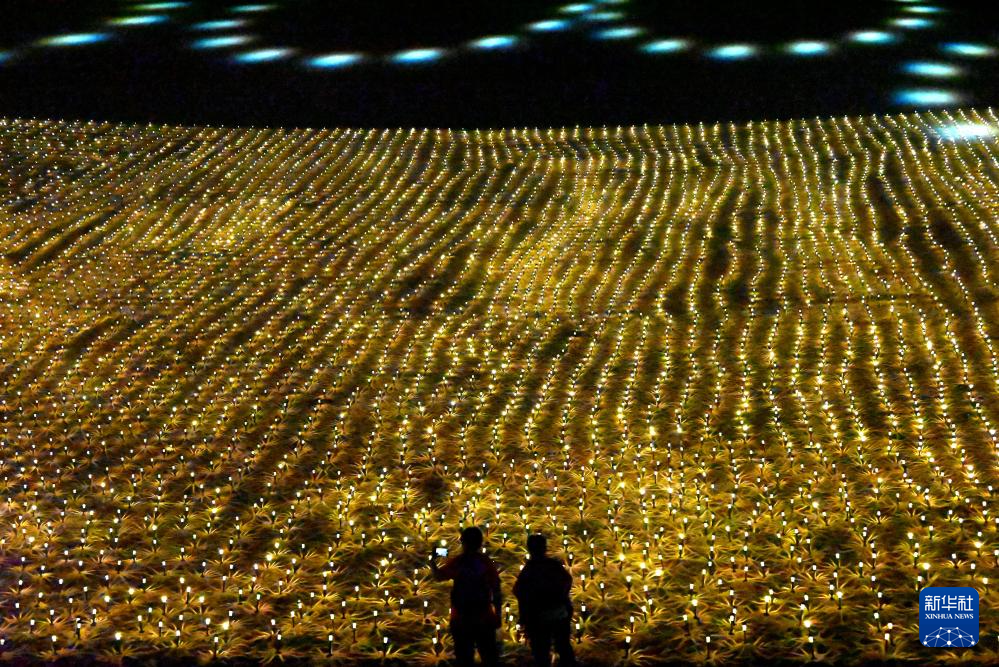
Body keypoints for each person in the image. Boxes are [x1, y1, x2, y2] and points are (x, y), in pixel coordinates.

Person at [430, 526, 502, 667]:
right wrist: (498, 615)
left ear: (463, 542)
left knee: (464, 657)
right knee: (489, 656)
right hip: (484, 617)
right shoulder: (486, 562)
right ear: (480, 543)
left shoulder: (459, 562)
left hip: (461, 618)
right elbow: (497, 589)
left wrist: (432, 561)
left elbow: (438, 576)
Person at [513, 534, 576, 667]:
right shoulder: (553, 565)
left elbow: (519, 592)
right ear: (545, 548)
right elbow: (567, 581)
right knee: (563, 646)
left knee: (541, 651)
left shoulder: (529, 570)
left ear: (529, 549)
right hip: (558, 614)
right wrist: (562, 599)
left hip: (538, 617)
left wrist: (524, 616)